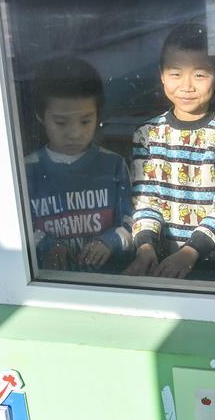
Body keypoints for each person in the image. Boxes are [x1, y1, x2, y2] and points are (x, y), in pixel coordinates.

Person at [124, 24, 215, 281]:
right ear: (161, 75)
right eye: (175, 73)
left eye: (199, 75)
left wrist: (191, 251)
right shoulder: (147, 134)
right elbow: (145, 199)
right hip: (163, 263)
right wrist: (145, 245)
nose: (186, 86)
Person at [24, 56, 133, 272]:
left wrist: (109, 242)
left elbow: (130, 222)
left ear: (98, 115)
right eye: (61, 122)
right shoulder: (25, 170)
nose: (74, 133)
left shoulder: (114, 165)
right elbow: (15, 227)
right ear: (40, 116)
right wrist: (46, 245)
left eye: (85, 121)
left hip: (108, 279)